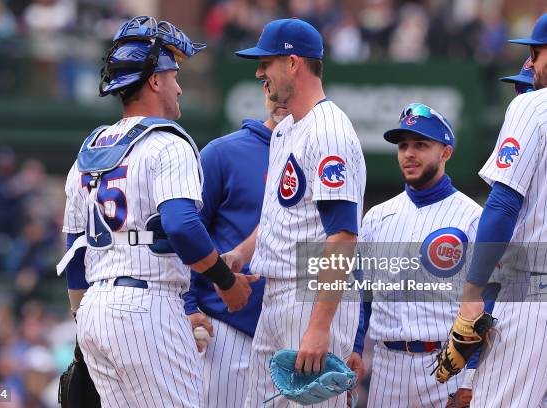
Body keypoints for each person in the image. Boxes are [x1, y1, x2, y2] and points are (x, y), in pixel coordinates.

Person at [58, 16, 257, 408]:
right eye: (173, 75)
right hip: (147, 304)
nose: (179, 86)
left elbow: (74, 249)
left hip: (96, 306)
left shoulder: (91, 147)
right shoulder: (167, 143)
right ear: (153, 80)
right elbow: (182, 226)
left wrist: (85, 326)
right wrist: (225, 281)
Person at [228, 18, 366, 407]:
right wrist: (241, 252)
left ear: (293, 63)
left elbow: (342, 235)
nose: (259, 73)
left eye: (266, 63)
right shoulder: (287, 129)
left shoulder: (329, 132)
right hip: (277, 294)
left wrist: (319, 327)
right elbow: (279, 215)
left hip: (310, 294)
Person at [435, 12, 547, 407]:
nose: (531, 64)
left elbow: (503, 202)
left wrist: (472, 291)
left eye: (536, 52)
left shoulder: (534, 105)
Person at [354, 103, 495, 407]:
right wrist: (354, 348)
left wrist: (470, 378)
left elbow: (491, 299)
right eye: (403, 145)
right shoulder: (377, 217)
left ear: (446, 152)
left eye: (421, 144)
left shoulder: (473, 217)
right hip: (387, 365)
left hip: (447, 366)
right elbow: (362, 294)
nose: (409, 153)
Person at [183, 82, 287, 408]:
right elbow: (183, 233)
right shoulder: (222, 152)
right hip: (227, 331)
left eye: (289, 89)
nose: (279, 98)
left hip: (294, 336)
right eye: (272, 87)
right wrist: (186, 305)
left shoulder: (320, 159)